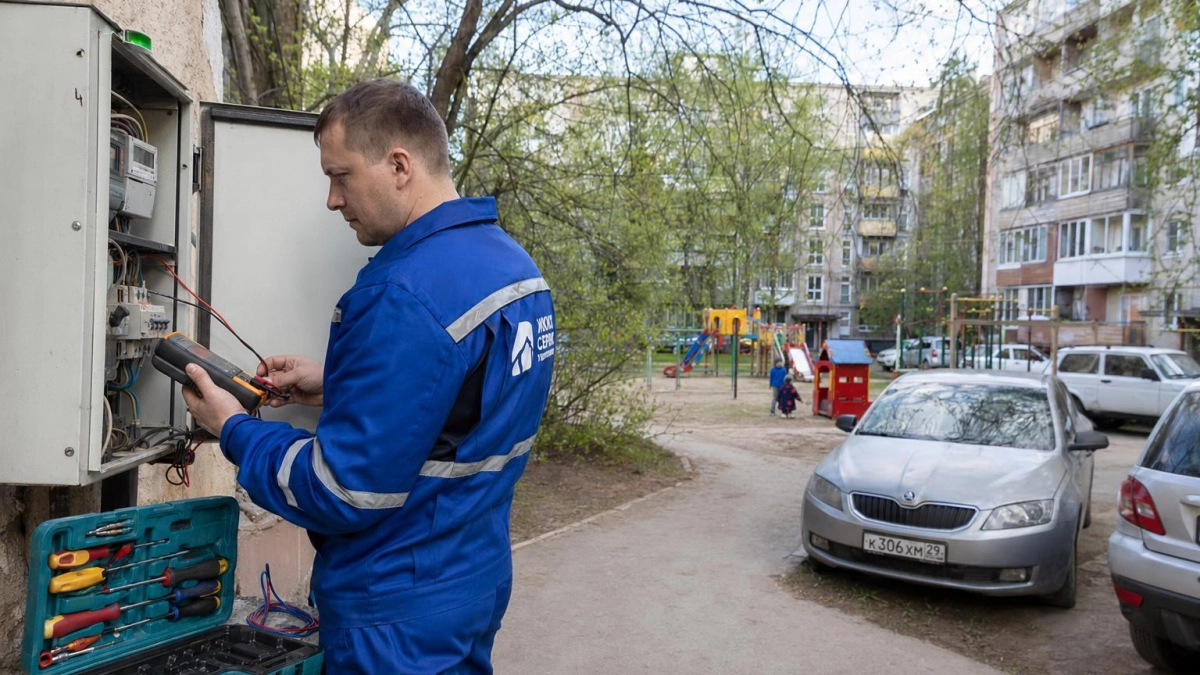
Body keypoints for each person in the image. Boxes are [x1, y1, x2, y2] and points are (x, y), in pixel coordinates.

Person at [182, 79, 555, 674]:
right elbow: (463, 406)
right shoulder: (513, 268)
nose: (332, 199)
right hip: (469, 580)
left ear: (399, 165)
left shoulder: (402, 293)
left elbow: (343, 490)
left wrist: (232, 428)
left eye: (341, 176)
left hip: (394, 605)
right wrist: (339, 382)